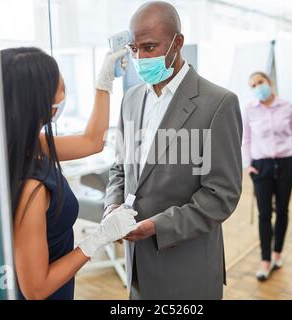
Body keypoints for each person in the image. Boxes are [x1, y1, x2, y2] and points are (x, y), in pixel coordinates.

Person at [103, 1, 243, 300]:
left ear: (178, 43)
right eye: (134, 48)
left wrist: (158, 226)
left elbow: (221, 195)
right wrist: (112, 206)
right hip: (136, 265)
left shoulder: (218, 104)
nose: (140, 57)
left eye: (150, 47)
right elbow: (119, 167)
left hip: (186, 269)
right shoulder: (130, 99)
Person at [1, 47, 138, 300]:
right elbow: (36, 289)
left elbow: (92, 141)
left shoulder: (26, 144)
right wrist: (99, 237)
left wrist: (104, 82)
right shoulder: (32, 188)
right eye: (61, 87)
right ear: (37, 100)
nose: (65, 94)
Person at [242, 71, 292, 281]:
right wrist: (248, 164)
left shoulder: (286, 106)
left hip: (287, 162)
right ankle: (265, 260)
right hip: (261, 166)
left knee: (283, 210)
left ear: (270, 83)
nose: (258, 86)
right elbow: (246, 138)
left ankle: (277, 253)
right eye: (253, 85)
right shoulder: (250, 109)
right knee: (264, 213)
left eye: (260, 82)